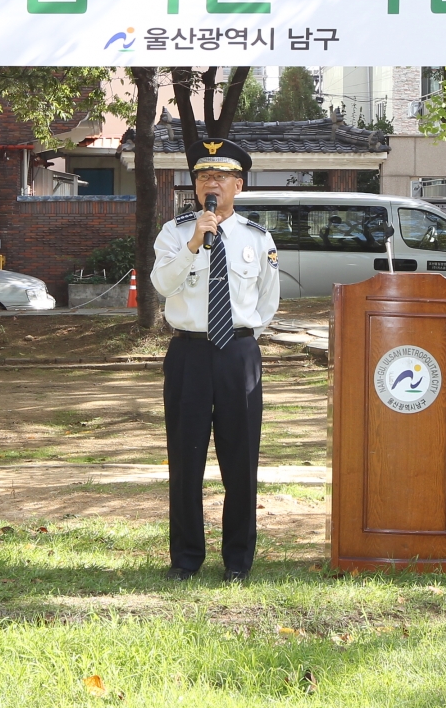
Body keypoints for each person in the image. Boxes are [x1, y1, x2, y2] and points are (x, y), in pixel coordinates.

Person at [150, 138, 280, 583]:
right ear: (195, 185)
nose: (212, 185)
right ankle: (186, 559)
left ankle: (238, 561)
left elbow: (267, 300)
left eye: (221, 178)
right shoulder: (174, 233)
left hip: (238, 354)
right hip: (188, 352)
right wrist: (192, 243)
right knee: (185, 460)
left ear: (237, 185)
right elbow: (164, 285)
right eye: (205, 177)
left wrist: (244, 337)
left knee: (240, 460)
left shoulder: (258, 238)